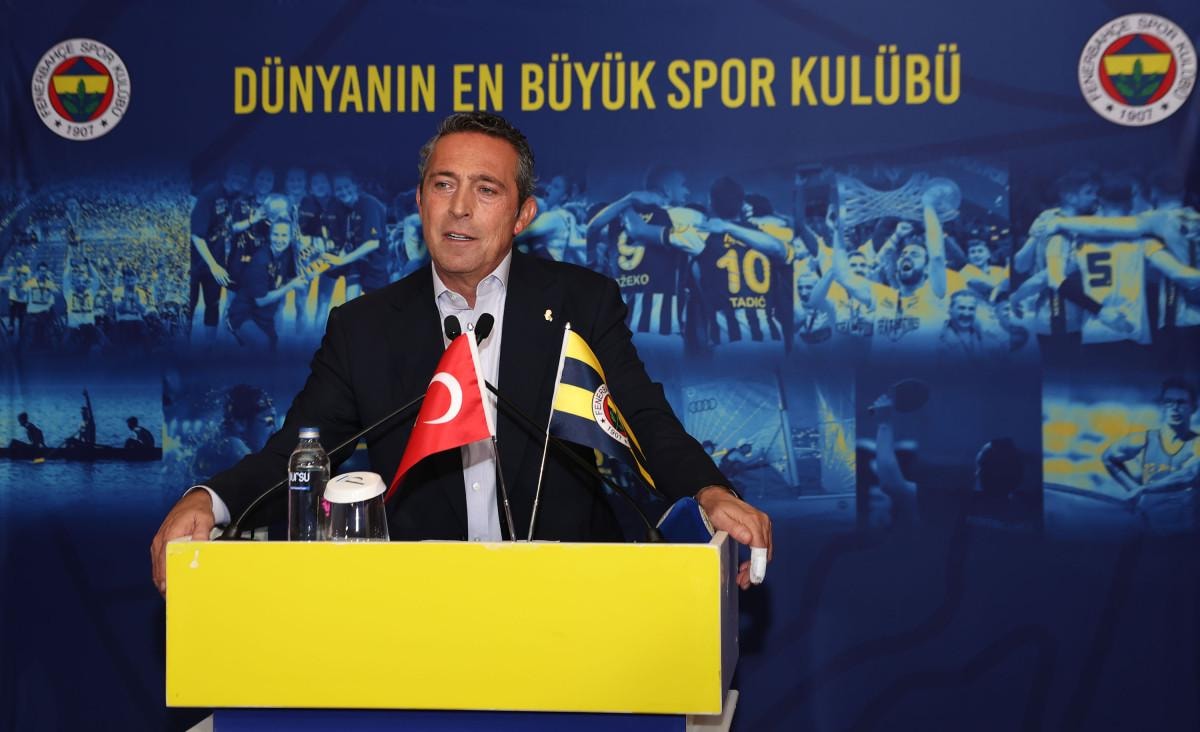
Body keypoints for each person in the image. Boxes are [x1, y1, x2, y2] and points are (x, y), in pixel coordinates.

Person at [151, 112, 771, 594]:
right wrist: (209, 499)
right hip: (421, 602)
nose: (460, 207)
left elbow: (642, 417)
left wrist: (712, 492)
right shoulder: (363, 328)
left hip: (570, 594)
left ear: (523, 215)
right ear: (420, 202)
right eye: (443, 185)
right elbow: (297, 453)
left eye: (486, 189)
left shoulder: (580, 303)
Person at [1102, 378, 1200, 533]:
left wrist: (1143, 490)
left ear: (1193, 408)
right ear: (1161, 406)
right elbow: (1108, 458)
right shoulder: (1141, 439)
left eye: (1181, 402)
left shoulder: (1197, 443)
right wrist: (1133, 489)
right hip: (1150, 529)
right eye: (1168, 402)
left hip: (1187, 532)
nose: (1174, 408)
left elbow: (1190, 475)